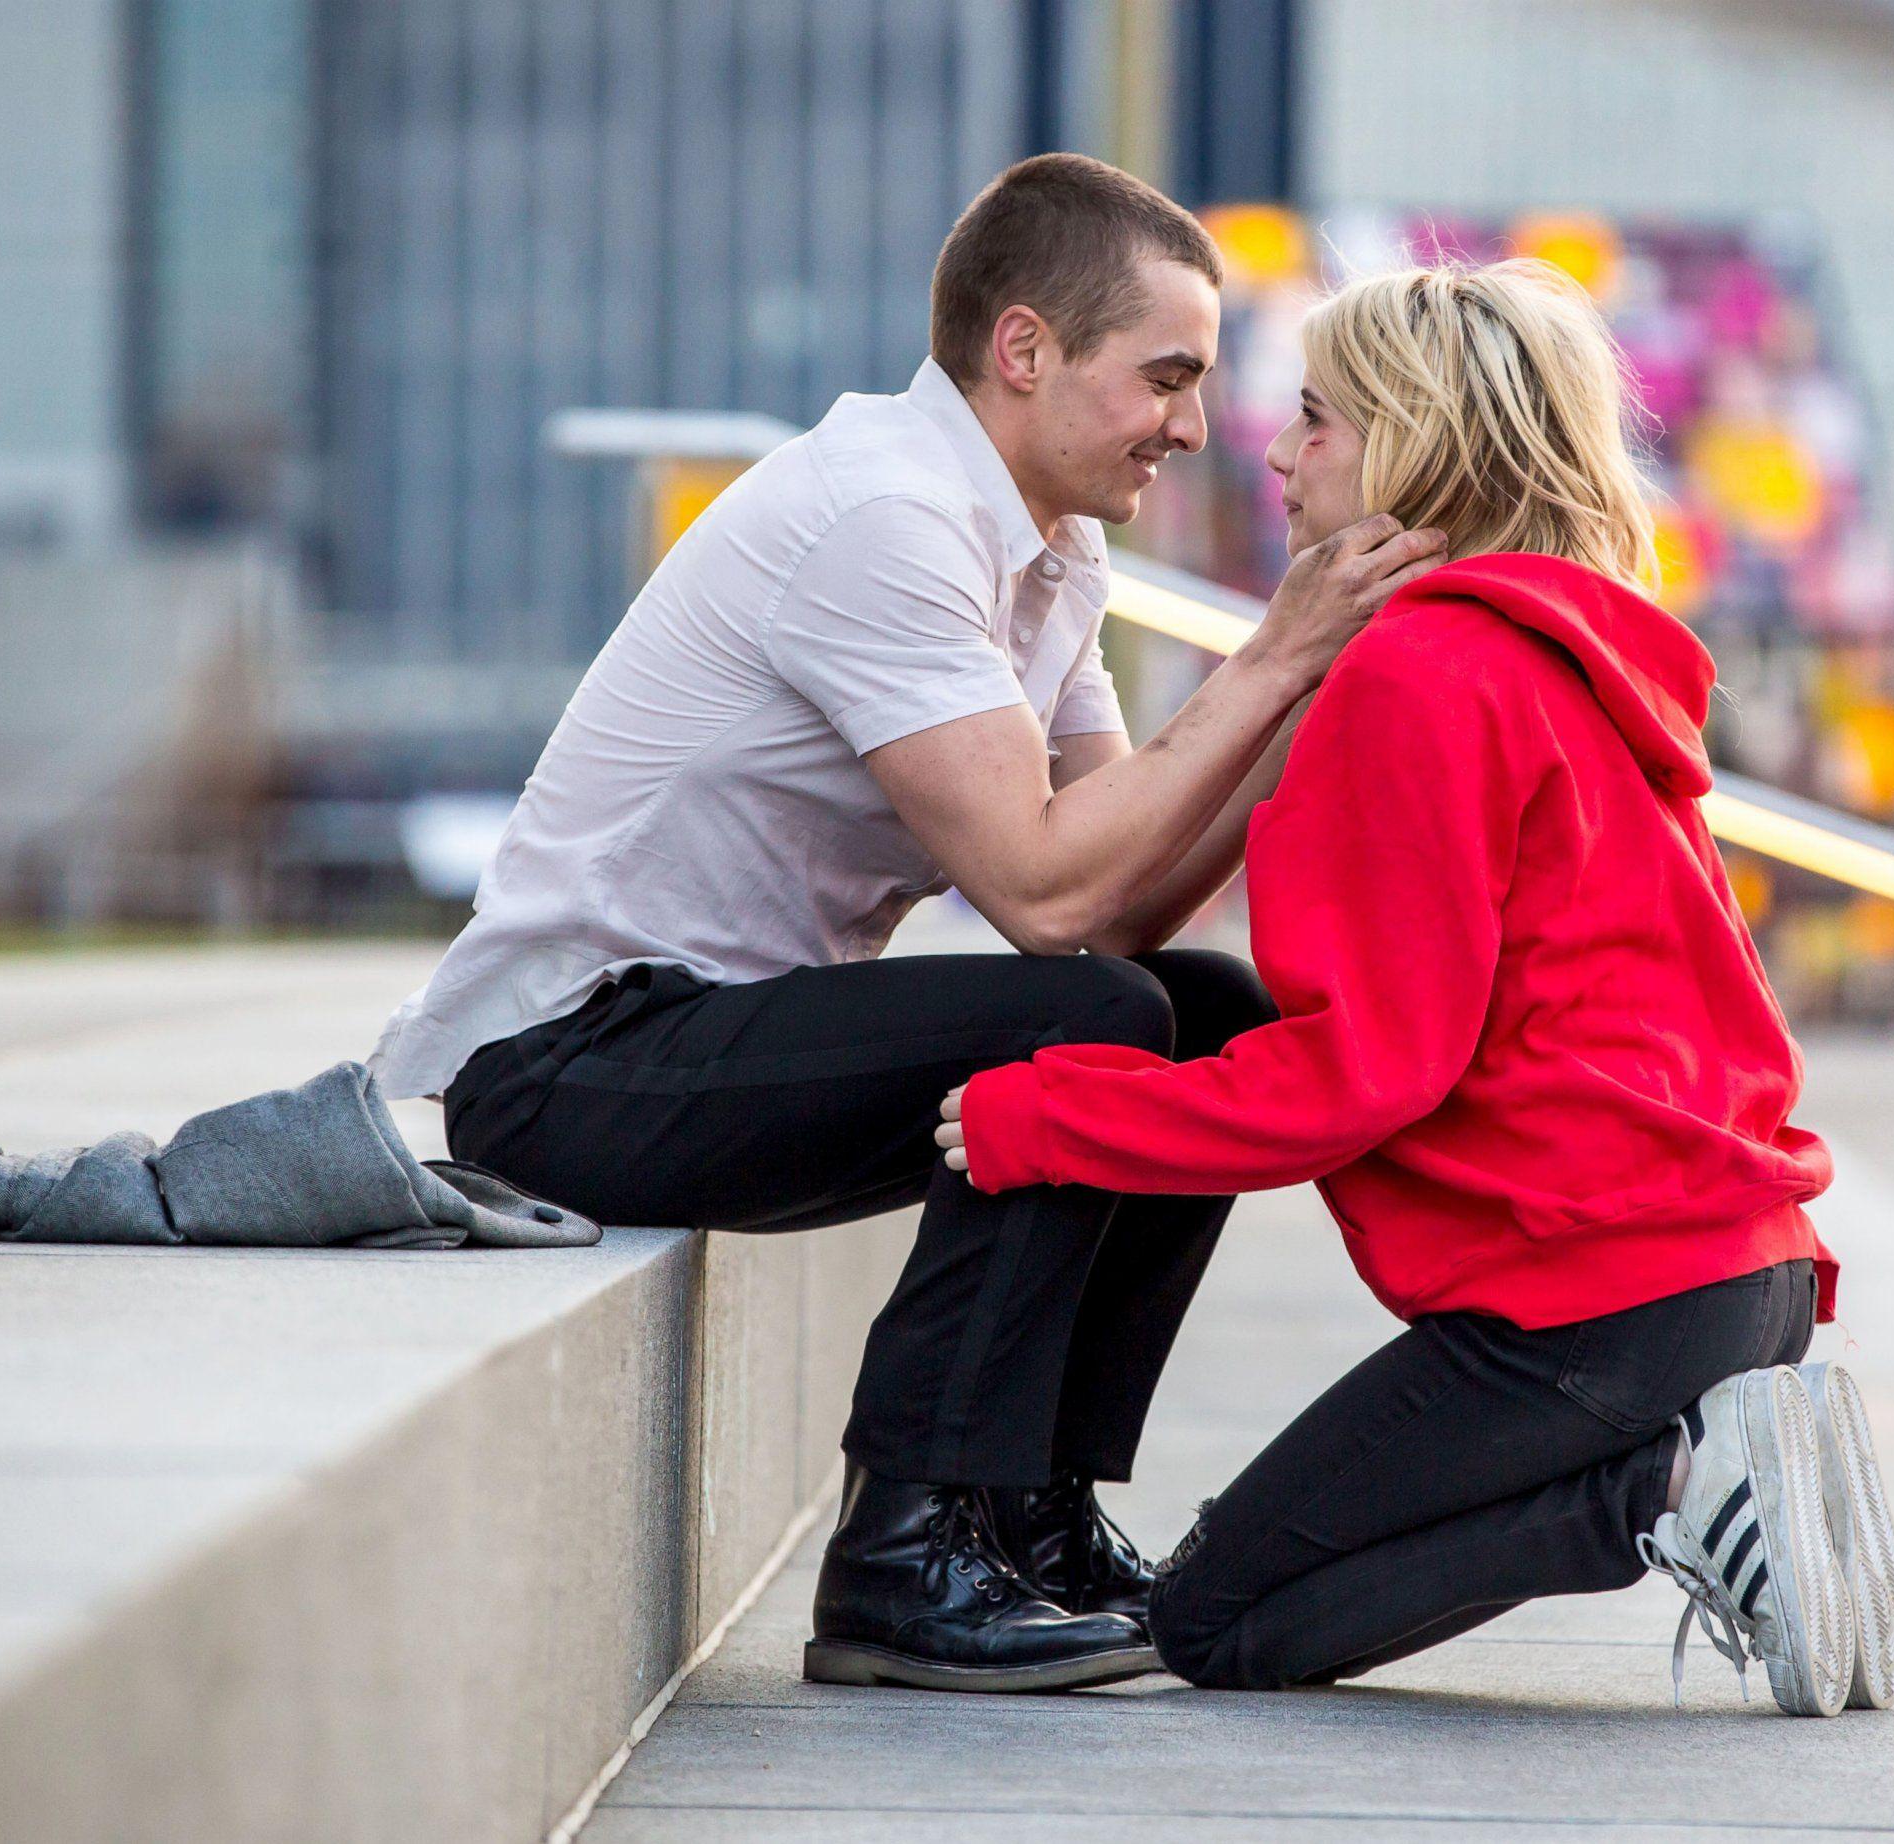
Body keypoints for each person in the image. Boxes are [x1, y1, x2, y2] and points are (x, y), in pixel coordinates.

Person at [364, 153, 1447, 1693]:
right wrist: (1271, 661)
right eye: (1166, 377)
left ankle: (1030, 1523)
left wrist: (1312, 683)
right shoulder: (886, 514)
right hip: (570, 1069)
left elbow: (1124, 912)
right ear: (1024, 351)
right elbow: (1046, 892)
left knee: (1203, 1017)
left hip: (713, 1046)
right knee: (1091, 1032)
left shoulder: (1049, 551)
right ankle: (903, 1551)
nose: (1196, 427)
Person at [938, 258, 1894, 1716]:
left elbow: (1364, 1073)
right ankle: (1723, 1468)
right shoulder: (1564, 657)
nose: (1274, 450)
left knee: (1216, 1622)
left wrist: (1052, 1117)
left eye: (1318, 420)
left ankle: (1667, 1489)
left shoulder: (1422, 677)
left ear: (1419, 446)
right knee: (1251, 1589)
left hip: (1601, 1303)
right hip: (1736, 1272)